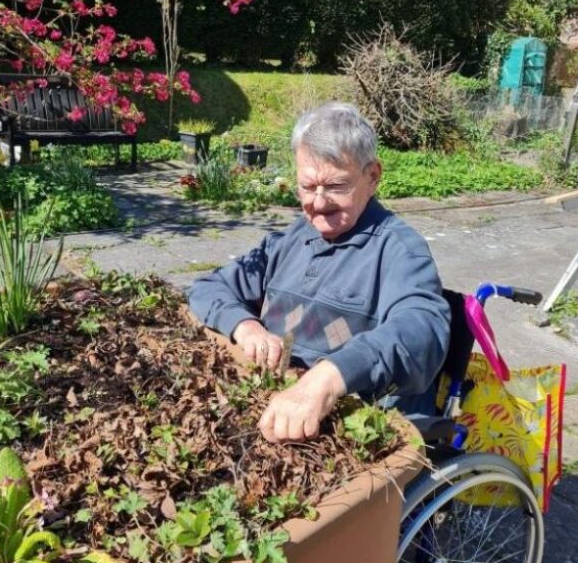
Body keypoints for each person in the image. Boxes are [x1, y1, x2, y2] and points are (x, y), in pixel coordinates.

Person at [189, 102, 450, 442]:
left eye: (337, 187)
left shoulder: (400, 252)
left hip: (354, 425)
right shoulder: (290, 239)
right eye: (308, 187)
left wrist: (329, 377)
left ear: (372, 176)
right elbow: (208, 288)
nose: (319, 203)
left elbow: (422, 331)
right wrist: (246, 327)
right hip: (275, 404)